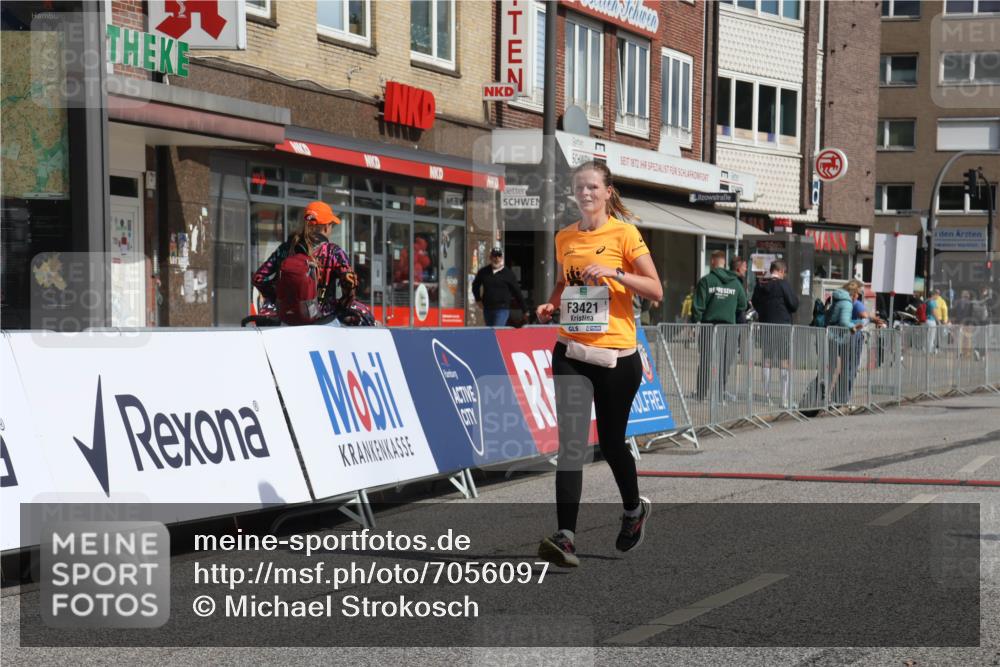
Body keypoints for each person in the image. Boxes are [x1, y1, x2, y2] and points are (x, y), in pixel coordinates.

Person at [534, 161, 663, 568]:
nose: (585, 193)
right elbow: (564, 281)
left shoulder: (625, 234)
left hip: (616, 357)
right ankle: (565, 537)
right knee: (571, 445)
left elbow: (656, 290)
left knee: (610, 443)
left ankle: (632, 511)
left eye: (592, 187)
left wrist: (615, 272)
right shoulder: (565, 236)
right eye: (579, 187)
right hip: (571, 351)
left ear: (608, 192)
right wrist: (551, 303)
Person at [252, 201, 375, 326]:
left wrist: (278, 298)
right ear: (326, 227)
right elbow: (350, 283)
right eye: (331, 225)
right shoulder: (333, 252)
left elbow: (258, 278)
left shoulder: (285, 249)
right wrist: (341, 306)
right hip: (324, 322)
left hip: (289, 321)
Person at [693, 251, 748, 401]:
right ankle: (719, 394)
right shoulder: (736, 283)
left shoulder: (706, 281)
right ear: (724, 263)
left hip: (708, 326)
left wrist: (694, 323)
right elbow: (742, 305)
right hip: (729, 328)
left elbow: (698, 306)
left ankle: (701, 394)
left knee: (705, 359)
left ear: (712, 262)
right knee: (725, 361)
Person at [752, 259, 799, 406]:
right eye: (784, 273)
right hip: (782, 327)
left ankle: (767, 396)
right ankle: (784, 397)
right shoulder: (783, 284)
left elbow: (755, 303)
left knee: (767, 360)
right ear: (781, 271)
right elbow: (794, 304)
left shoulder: (761, 285)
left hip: (766, 326)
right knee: (784, 361)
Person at [472, 247, 527, 327]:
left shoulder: (508, 274)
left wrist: (525, 310)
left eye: (499, 256)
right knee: (490, 333)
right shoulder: (483, 272)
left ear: (502, 258)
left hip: (502, 309)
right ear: (490, 258)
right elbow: (475, 285)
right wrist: (478, 299)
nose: (497, 259)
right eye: (494, 256)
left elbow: (517, 292)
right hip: (487, 309)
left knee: (497, 330)